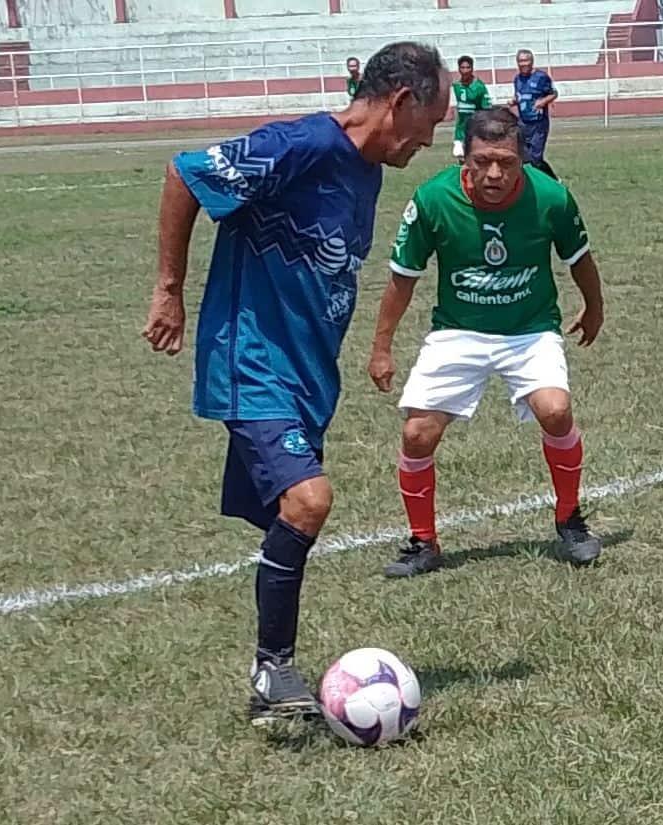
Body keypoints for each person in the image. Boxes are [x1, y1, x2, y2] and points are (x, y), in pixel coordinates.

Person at [142, 42, 449, 722]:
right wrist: (169, 290)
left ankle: (271, 672)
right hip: (253, 363)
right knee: (309, 501)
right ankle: (271, 670)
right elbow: (186, 174)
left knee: (290, 514)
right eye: (429, 125)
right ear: (401, 102)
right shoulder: (300, 146)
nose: (427, 142)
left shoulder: (365, 171)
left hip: (308, 378)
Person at [367, 107, 604, 578]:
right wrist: (381, 346)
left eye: (507, 162)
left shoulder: (550, 197)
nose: (494, 173)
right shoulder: (433, 199)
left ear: (522, 159)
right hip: (458, 331)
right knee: (417, 435)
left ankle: (570, 519)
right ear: (465, 159)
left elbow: (579, 258)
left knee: (556, 410)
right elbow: (402, 278)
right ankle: (423, 542)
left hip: (530, 329)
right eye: (483, 161)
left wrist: (594, 306)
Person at [510, 49, 558, 179]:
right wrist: (514, 101)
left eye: (526, 60)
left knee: (535, 158)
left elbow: (554, 93)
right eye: (520, 61)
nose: (523, 63)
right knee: (524, 157)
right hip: (523, 123)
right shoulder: (517, 79)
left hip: (538, 123)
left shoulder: (541, 77)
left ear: (532, 61)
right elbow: (520, 95)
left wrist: (543, 101)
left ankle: (552, 180)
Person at [452, 55, 491, 164]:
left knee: (473, 157)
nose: (465, 70)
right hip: (460, 129)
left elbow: (486, 108)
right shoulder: (456, 86)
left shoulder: (479, 87)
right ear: (459, 69)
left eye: (468, 67)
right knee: (460, 156)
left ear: (472, 69)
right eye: (462, 67)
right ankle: (463, 179)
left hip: (474, 128)